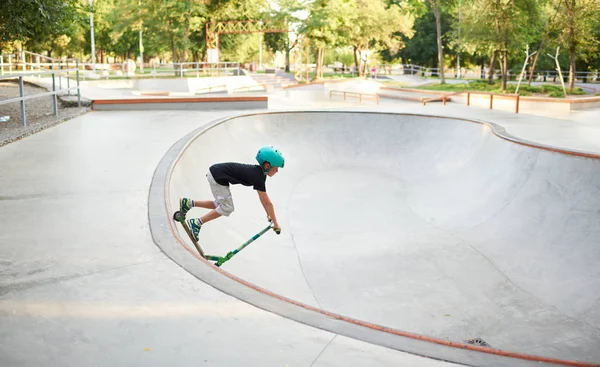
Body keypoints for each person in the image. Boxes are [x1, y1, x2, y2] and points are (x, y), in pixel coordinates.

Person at [179, 145, 284, 241]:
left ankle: (188, 203)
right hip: (217, 176)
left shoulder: (259, 175)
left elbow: (263, 199)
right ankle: (197, 223)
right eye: (276, 168)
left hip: (216, 173)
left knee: (220, 205)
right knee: (227, 208)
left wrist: (268, 215)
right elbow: (268, 203)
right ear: (267, 166)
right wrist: (275, 223)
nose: (277, 171)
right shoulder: (258, 177)